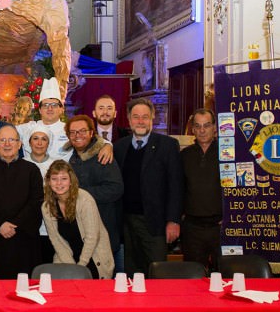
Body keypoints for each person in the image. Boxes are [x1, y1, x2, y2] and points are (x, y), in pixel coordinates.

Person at [113, 98, 183, 276]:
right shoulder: (119, 147)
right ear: (129, 119)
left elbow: (176, 185)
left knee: (156, 273)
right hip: (127, 224)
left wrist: (173, 220)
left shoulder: (167, 145)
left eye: (145, 117)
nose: (140, 121)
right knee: (131, 273)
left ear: (152, 118)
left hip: (155, 223)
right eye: (136, 117)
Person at [0, 125, 43, 279]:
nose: (7, 144)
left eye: (11, 140)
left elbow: (36, 201)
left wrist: (15, 224)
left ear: (19, 144)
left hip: (23, 237)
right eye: (2, 140)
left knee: (22, 285)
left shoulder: (31, 170)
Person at [64, 114, 125, 274]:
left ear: (92, 133)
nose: (77, 135)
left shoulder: (103, 155)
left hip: (104, 227)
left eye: (82, 131)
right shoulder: (72, 158)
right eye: (73, 132)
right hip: (81, 231)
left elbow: (115, 189)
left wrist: (79, 194)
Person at [42, 160, 114, 279]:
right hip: (66, 256)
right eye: (54, 179)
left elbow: (92, 237)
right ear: (49, 182)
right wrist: (71, 267)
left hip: (92, 256)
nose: (59, 183)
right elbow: (56, 239)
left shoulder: (85, 199)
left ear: (71, 181)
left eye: (64, 178)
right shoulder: (47, 207)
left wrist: (80, 266)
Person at [180, 109, 221, 272]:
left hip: (220, 227)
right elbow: (178, 189)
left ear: (215, 128)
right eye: (198, 126)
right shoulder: (184, 155)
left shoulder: (227, 153)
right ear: (193, 129)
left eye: (207, 125)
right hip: (192, 228)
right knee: (193, 275)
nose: (202, 130)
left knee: (225, 274)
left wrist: (230, 217)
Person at [23, 122, 56, 264]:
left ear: (49, 143)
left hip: (52, 228)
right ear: (29, 142)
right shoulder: (21, 164)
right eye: (35, 138)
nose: (39, 143)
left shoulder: (57, 165)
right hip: (26, 227)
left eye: (44, 139)